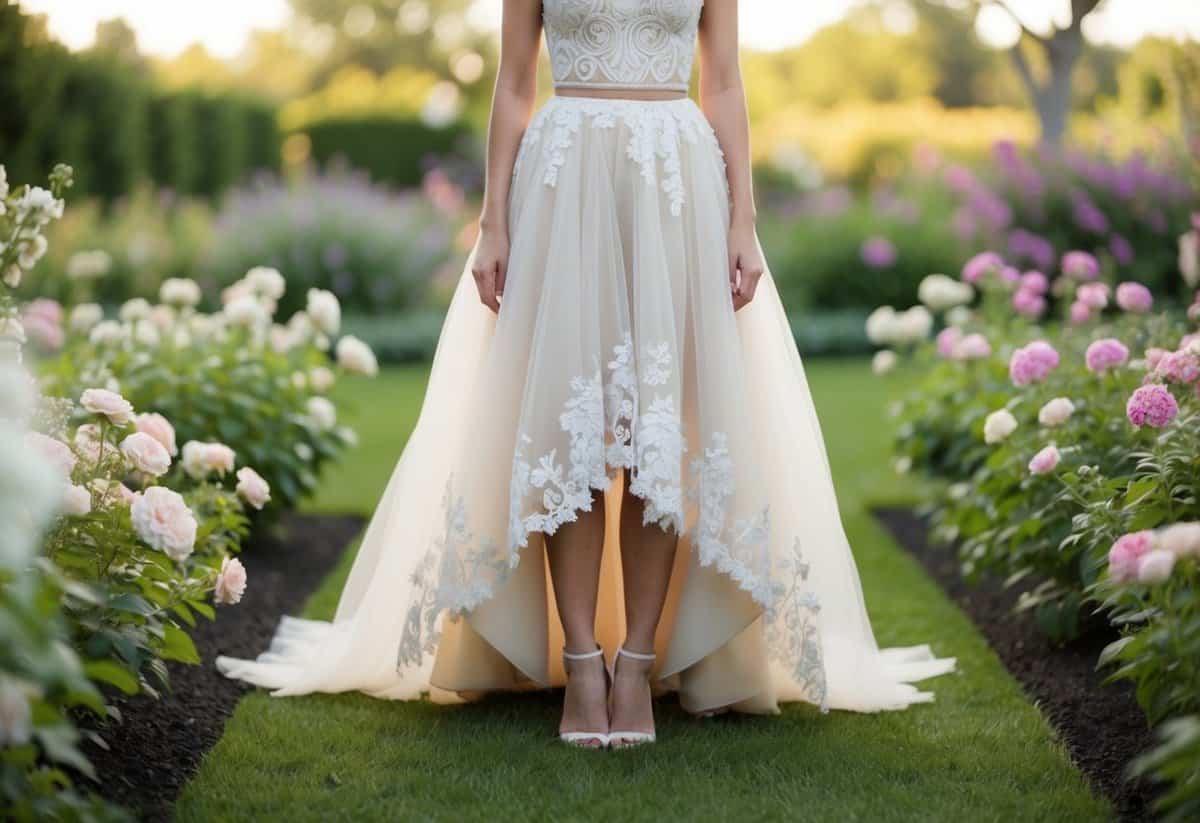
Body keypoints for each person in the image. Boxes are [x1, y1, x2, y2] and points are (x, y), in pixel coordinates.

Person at [217, 0, 955, 750]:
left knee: (658, 436)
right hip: (564, 184)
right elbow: (513, 82)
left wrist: (743, 220)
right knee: (569, 432)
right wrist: (493, 222)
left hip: (675, 183)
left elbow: (725, 81)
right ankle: (581, 660)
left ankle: (635, 661)